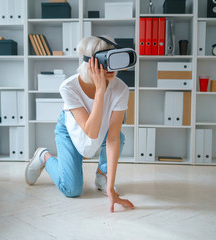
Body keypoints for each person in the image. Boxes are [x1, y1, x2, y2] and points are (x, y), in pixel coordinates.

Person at [25, 36, 134, 213]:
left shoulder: (120, 89)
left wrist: (111, 189)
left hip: (102, 128)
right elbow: (91, 132)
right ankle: (44, 157)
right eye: (106, 61)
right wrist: (100, 90)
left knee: (119, 137)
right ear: (92, 63)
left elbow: (112, 138)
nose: (112, 68)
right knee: (71, 190)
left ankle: (102, 176)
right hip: (70, 129)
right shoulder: (68, 87)